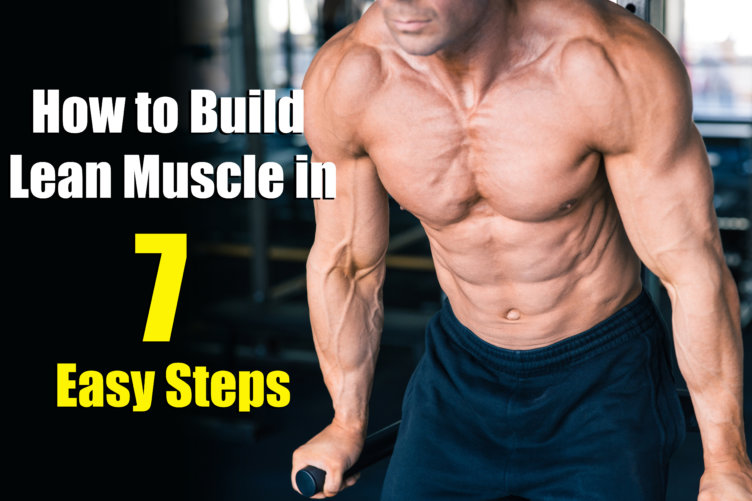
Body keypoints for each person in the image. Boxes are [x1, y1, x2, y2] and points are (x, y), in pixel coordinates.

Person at [290, 1, 752, 499]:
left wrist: (726, 459)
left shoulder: (606, 62)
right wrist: (346, 422)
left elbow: (691, 272)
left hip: (601, 380)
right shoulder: (350, 77)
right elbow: (347, 264)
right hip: (461, 371)